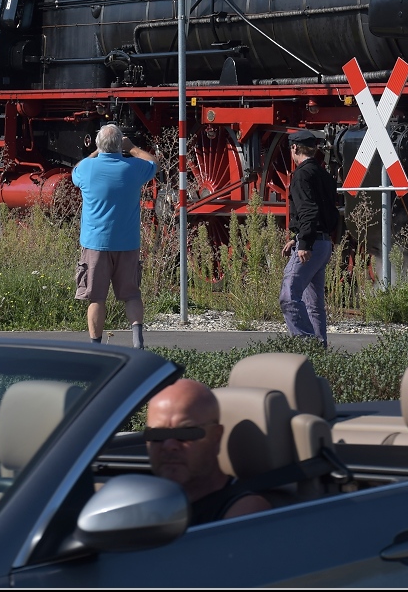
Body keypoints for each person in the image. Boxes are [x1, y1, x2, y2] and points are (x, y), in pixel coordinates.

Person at [71, 123, 157, 348]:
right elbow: (153, 163)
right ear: (120, 145)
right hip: (128, 243)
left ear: (99, 145)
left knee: (96, 298)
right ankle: (138, 343)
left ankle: (95, 346)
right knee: (131, 295)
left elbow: (75, 169)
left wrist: (95, 153)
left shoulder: (86, 169)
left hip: (95, 244)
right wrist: (133, 148)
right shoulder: (133, 168)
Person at [144, 379, 272, 525]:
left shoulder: (243, 510)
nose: (169, 445)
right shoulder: (142, 500)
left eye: (186, 433)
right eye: (157, 434)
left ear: (216, 437)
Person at [279, 129, 340, 347]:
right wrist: (298, 238)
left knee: (289, 295)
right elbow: (327, 213)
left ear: (294, 148)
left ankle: (306, 345)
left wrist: (303, 242)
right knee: (313, 303)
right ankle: (319, 349)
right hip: (323, 243)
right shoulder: (324, 175)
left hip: (311, 245)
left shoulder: (301, 176)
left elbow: (309, 211)